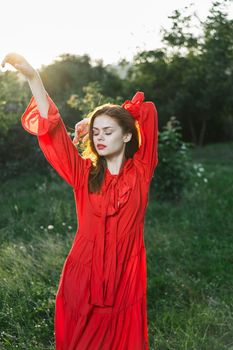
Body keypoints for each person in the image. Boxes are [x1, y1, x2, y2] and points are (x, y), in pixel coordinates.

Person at [1, 53, 159, 350]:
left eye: (108, 132)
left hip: (125, 275)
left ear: (127, 136)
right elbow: (55, 132)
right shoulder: (83, 174)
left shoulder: (142, 169)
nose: (99, 138)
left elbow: (147, 111)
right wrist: (34, 78)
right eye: (96, 133)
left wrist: (98, 116)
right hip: (83, 275)